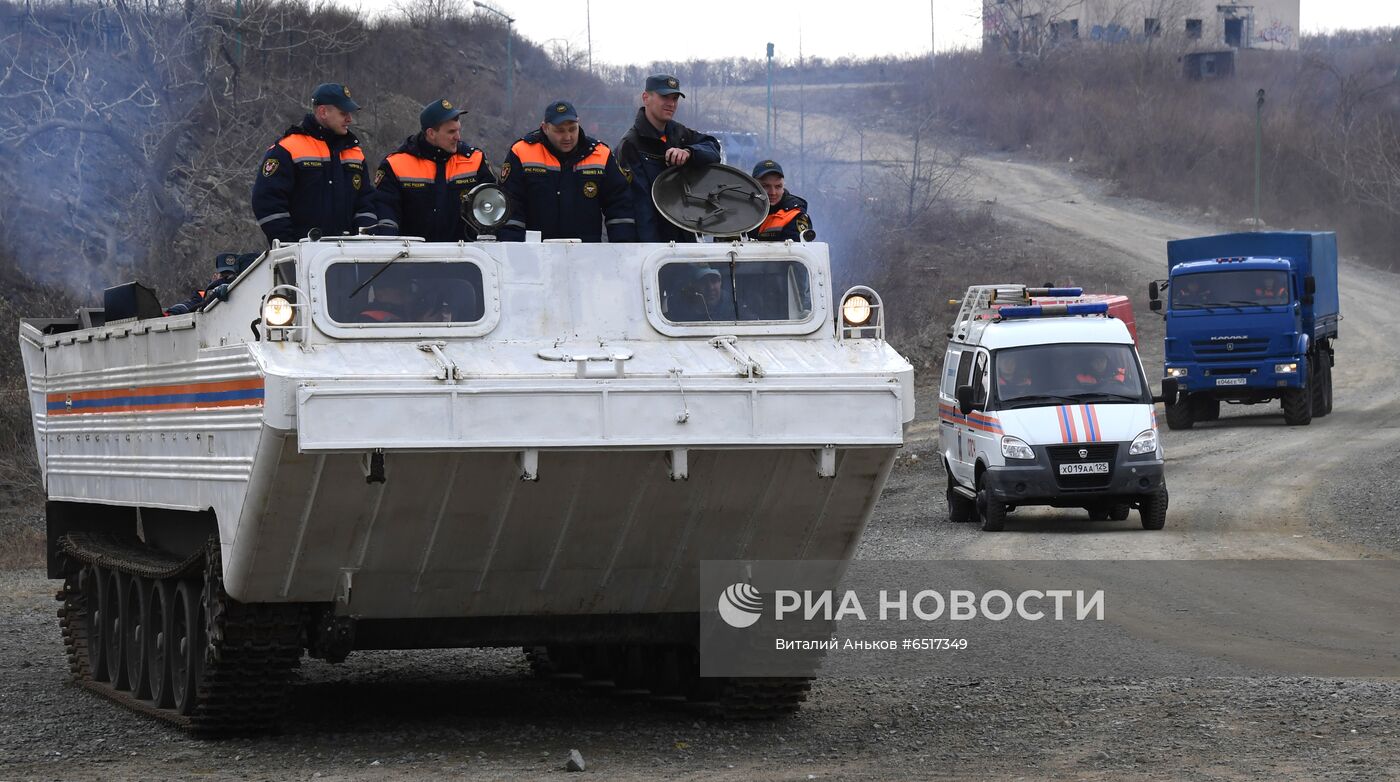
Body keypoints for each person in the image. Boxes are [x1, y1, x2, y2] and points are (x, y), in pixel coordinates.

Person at [252, 83, 378, 244]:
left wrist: (364, 239)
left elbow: (366, 201)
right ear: (323, 112)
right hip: (300, 256)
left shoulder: (354, 152)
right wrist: (289, 244)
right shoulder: (287, 148)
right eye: (343, 113)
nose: (349, 119)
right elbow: (266, 201)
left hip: (348, 257)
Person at [498, 101, 636, 243]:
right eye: (560, 131)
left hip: (587, 253)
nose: (567, 137)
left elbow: (620, 204)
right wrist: (512, 249)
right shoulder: (521, 152)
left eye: (572, 129)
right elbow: (510, 205)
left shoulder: (600, 154)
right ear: (545, 128)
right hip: (536, 252)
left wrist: (621, 248)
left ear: (579, 124)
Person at [616, 75, 721, 242]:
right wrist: (654, 252)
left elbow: (713, 148)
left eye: (675, 98)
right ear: (646, 98)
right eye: (664, 97)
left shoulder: (679, 134)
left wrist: (689, 152)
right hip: (654, 246)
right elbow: (640, 208)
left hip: (685, 235)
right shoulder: (631, 144)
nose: (671, 104)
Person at [374, 98, 495, 242]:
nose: (458, 137)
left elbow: (493, 210)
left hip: (467, 258)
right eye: (451, 132)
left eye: (458, 130)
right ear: (431, 133)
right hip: (412, 257)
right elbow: (386, 215)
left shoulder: (475, 160)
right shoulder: (395, 165)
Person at [164, 252, 258, 316]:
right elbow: (193, 305)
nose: (226, 279)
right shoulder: (202, 295)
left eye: (230, 275)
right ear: (215, 275)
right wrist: (178, 309)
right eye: (223, 275)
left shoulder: (243, 289)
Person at [750, 160, 813, 242]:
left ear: (783, 186)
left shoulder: (794, 215)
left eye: (778, 186)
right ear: (753, 185)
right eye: (766, 186)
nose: (773, 192)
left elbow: (794, 252)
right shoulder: (741, 209)